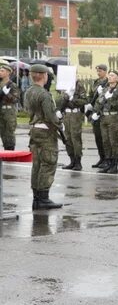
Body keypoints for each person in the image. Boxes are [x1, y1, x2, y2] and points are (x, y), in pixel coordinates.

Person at [25, 64, 64, 210]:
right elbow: (50, 116)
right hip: (46, 131)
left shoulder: (29, 91)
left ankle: (37, 197)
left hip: (34, 129)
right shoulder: (44, 94)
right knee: (48, 163)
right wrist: (60, 125)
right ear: (44, 76)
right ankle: (43, 198)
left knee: (37, 164)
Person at [92, 70, 118, 174]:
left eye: (112, 76)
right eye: (109, 75)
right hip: (103, 118)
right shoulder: (105, 90)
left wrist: (110, 99)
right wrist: (97, 109)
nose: (110, 77)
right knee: (105, 142)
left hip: (114, 118)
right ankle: (108, 163)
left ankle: (114, 165)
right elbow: (98, 103)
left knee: (113, 142)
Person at [57, 79, 87, 171]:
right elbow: (58, 99)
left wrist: (72, 101)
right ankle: (72, 160)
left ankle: (78, 162)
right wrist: (59, 108)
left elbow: (84, 100)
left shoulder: (78, 85)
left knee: (75, 138)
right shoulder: (63, 84)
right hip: (66, 115)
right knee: (67, 138)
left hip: (75, 114)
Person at [85, 64, 108, 168]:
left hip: (102, 113)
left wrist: (102, 92)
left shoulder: (108, 82)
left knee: (104, 138)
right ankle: (101, 158)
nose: (99, 73)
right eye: (98, 71)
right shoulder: (95, 82)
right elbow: (91, 95)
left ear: (105, 71)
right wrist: (89, 104)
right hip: (95, 112)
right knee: (98, 137)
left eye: (101, 71)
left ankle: (107, 159)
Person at [0, 63, 20, 150]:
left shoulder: (12, 85)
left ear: (8, 73)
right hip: (0, 110)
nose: (0, 72)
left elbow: (15, 100)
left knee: (9, 132)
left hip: (9, 112)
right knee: (2, 132)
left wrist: (7, 93)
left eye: (2, 71)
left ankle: (10, 150)